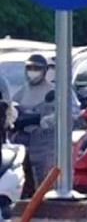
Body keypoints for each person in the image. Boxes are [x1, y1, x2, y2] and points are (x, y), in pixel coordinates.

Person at [12, 54, 79, 186]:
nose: (33, 72)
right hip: (23, 141)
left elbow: (71, 113)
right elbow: (13, 109)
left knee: (44, 181)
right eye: (30, 68)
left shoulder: (55, 91)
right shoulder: (22, 91)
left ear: (45, 70)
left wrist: (50, 120)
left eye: (37, 68)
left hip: (46, 145)